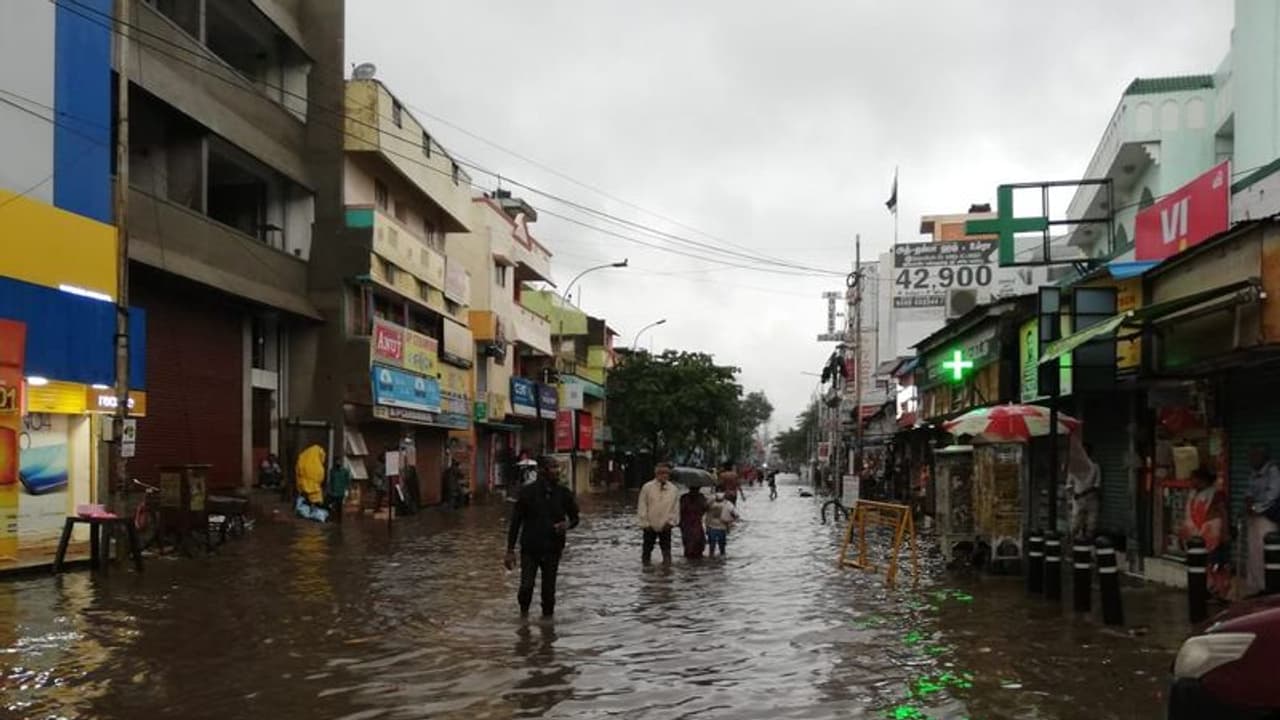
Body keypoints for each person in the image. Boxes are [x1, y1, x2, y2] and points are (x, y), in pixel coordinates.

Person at [505, 456, 580, 617]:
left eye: (557, 467)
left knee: (548, 592)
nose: (557, 471)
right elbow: (516, 522)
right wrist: (510, 550)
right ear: (542, 470)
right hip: (530, 548)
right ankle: (523, 618)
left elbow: (575, 518)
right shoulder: (527, 493)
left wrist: (566, 525)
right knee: (526, 587)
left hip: (553, 548)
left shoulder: (563, 493)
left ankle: (547, 626)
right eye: (553, 467)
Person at [1180, 467, 1230, 599]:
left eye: (1193, 479)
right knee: (1201, 564)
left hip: (1212, 534)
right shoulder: (1193, 494)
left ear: (1202, 480)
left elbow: (1223, 512)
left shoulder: (1216, 494)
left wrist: (1225, 532)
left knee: (1215, 563)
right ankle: (1205, 589)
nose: (1191, 482)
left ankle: (1218, 591)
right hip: (1197, 536)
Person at [1245, 444, 1280, 595]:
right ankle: (1256, 586)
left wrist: (1255, 508)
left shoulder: (1273, 471)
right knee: (1253, 553)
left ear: (1263, 457)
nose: (1251, 459)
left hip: (1266, 517)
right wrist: (1248, 501)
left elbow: (1273, 495)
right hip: (1254, 517)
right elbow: (1249, 491)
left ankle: (1268, 586)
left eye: (1255, 456)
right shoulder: (1254, 473)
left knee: (1265, 551)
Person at [637, 462, 680, 565]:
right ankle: (646, 569)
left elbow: (675, 508)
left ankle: (667, 569)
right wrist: (645, 523)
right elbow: (642, 506)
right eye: (661, 473)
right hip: (650, 525)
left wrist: (671, 522)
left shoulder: (673, 489)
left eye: (666, 473)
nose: (664, 475)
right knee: (647, 550)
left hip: (666, 525)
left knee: (666, 550)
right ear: (656, 474)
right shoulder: (647, 487)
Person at [1067, 443, 1101, 540]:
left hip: (1091, 499)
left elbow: (1097, 485)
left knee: (1091, 524)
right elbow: (1069, 484)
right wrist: (1073, 494)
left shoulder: (1095, 467)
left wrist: (1083, 493)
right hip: (1078, 500)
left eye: (1087, 451)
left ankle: (1088, 543)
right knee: (1075, 523)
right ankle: (1071, 542)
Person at [678, 485, 709, 559]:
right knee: (697, 541)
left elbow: (680, 509)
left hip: (687, 523)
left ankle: (690, 557)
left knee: (689, 542)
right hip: (694, 522)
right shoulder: (701, 497)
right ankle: (695, 557)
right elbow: (705, 509)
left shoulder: (684, 497)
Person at [705, 491, 738, 556]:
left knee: (712, 547)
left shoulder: (711, 503)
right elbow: (736, 515)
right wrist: (730, 521)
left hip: (711, 527)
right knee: (722, 548)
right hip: (722, 528)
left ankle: (711, 558)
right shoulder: (728, 504)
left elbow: (704, 509)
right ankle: (722, 559)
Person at [326, 455, 352, 521]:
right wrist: (329, 489)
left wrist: (347, 490)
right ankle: (332, 518)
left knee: (339, 506)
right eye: (337, 461)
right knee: (331, 505)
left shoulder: (345, 471)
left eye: (339, 461)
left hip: (340, 492)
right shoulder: (332, 471)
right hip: (333, 492)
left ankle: (338, 519)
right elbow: (331, 481)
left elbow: (348, 481)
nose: (338, 463)